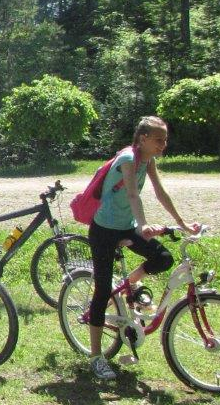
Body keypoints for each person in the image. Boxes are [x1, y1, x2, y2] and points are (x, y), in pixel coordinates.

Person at [86, 116, 200, 380]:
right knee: (102, 291)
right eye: (159, 139)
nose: (163, 144)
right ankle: (96, 357)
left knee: (163, 258)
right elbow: (132, 195)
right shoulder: (128, 158)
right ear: (143, 138)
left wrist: (182, 223)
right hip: (104, 230)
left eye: (165, 139)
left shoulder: (148, 161)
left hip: (126, 227)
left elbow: (160, 192)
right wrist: (144, 225)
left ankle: (129, 283)